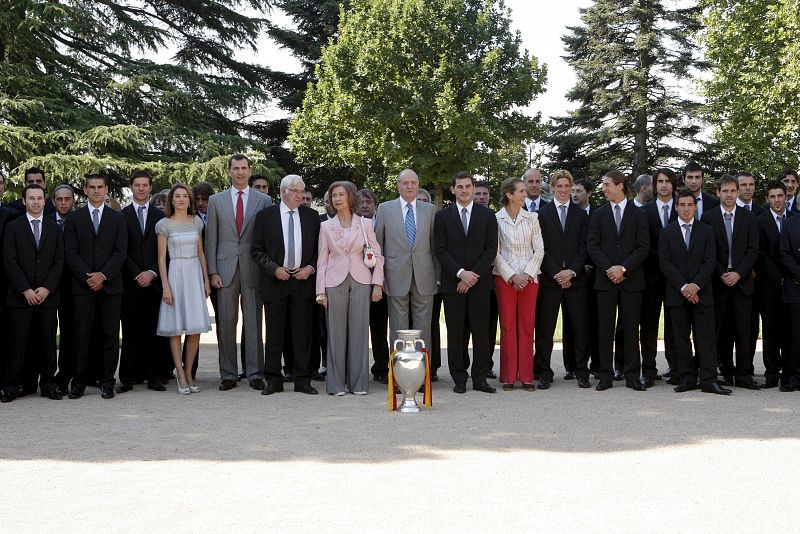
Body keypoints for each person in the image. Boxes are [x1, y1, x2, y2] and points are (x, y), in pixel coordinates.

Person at [205, 154, 271, 392]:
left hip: (253, 268)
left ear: (250, 170)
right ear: (229, 172)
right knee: (226, 322)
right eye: (236, 168)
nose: (240, 172)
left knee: (254, 322)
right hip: (224, 270)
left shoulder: (264, 200)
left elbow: (266, 240)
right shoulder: (216, 200)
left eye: (244, 168)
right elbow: (211, 238)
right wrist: (212, 271)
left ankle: (255, 373)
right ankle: (228, 374)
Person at [252, 174, 320, 395]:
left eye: (303, 191)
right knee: (274, 334)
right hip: (275, 281)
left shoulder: (312, 216)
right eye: (297, 192)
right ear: (283, 192)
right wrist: (274, 269)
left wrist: (310, 268)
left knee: (302, 334)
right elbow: (257, 250)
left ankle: (302, 380)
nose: (301, 196)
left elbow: (321, 251)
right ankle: (273, 379)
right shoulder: (265, 216)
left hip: (303, 282)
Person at [315, 181, 384, 395]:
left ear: (350, 197)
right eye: (333, 195)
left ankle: (359, 384)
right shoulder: (326, 226)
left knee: (359, 333)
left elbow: (377, 256)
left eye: (340, 194)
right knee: (335, 334)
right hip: (333, 282)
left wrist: (377, 284)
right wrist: (320, 291)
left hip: (362, 281)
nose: (336, 198)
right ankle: (336, 385)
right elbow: (322, 260)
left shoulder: (365, 224)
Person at [63, 174, 128, 400]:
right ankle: (79, 382)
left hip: (111, 287)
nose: (97, 191)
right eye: (92, 187)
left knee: (110, 335)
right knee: (81, 335)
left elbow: (121, 251)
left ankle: (107, 381)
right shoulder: (74, 218)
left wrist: (103, 276)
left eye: (100, 187)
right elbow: (70, 252)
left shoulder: (117, 218)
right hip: (83, 288)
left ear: (106, 189)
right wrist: (88, 277)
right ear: (85, 190)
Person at [659, 190, 730, 395]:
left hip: (702, 293)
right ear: (676, 207)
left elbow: (710, 261)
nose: (686, 208)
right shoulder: (667, 232)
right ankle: (688, 378)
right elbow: (665, 263)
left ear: (695, 206)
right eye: (682, 205)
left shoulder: (706, 231)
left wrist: (695, 286)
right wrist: (684, 287)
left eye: (690, 205)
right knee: (681, 338)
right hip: (677, 293)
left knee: (706, 338)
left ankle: (708, 379)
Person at [436, 171, 498, 394]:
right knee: (456, 333)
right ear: (452, 189)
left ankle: (480, 378)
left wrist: (472, 276)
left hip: (480, 284)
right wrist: (461, 273)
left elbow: (491, 249)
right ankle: (459, 378)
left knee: (481, 333)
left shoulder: (487, 216)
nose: (464, 190)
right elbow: (440, 250)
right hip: (453, 284)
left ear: (473, 189)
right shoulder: (442, 217)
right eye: (459, 187)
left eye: (468, 186)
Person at [587, 170, 649, 391]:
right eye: (603, 185)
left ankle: (632, 376)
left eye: (606, 184)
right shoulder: (598, 214)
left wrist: (623, 268)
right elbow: (592, 245)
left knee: (631, 329)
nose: (603, 188)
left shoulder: (639, 214)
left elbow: (643, 247)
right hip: (605, 281)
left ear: (620, 185)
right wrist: (609, 269)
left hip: (632, 280)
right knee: (605, 329)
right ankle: (605, 375)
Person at [1, 184, 64, 402]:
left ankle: (48, 384)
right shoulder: (13, 227)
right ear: (24, 201)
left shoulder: (54, 227)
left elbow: (59, 261)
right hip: (20, 297)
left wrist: (47, 287)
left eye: (39, 198)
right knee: (18, 342)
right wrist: (25, 289)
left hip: (48, 296)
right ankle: (12, 385)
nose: (36, 202)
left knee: (46, 342)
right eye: (31, 198)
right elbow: (9, 261)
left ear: (45, 201)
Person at [700, 175, 760, 389]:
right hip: (718, 283)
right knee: (722, 331)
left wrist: (739, 273)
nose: (728, 195)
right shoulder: (708, 218)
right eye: (724, 191)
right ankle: (725, 371)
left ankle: (744, 374)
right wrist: (721, 273)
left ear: (737, 192)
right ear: (717, 193)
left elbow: (753, 251)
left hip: (742, 283)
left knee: (744, 332)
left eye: (732, 191)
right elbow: (707, 252)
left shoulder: (748, 218)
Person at [375, 169, 438, 361]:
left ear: (418, 185)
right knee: (397, 328)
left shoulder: (430, 210)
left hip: (424, 276)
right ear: (398, 186)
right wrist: (380, 277)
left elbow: (435, 246)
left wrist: (438, 277)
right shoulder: (385, 209)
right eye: (405, 183)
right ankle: (399, 370)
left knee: (423, 328)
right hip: (395, 275)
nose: (409, 186)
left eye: (413, 182)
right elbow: (378, 244)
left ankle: (421, 372)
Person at [535, 170, 590, 389]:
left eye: (568, 186)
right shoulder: (542, 214)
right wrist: (557, 272)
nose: (564, 190)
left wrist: (572, 271)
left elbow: (585, 246)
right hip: (550, 279)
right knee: (545, 329)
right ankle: (544, 371)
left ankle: (580, 370)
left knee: (579, 327)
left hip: (576, 280)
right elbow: (541, 247)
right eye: (560, 186)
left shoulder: (581, 214)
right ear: (552, 188)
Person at [156, 184, 211, 394]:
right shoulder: (164, 225)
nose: (181, 199)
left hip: (194, 273)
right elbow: (161, 258)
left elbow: (201, 253)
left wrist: (205, 280)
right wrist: (165, 287)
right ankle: (179, 372)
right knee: (176, 327)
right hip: (175, 273)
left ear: (190, 200)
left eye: (184, 196)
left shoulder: (197, 222)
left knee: (195, 327)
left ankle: (189, 371)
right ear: (171, 200)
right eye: (177, 196)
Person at [118, 170, 168, 393]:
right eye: (137, 185)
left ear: (150, 187)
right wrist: (137, 273)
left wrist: (151, 272)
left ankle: (155, 375)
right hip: (130, 282)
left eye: (145, 185)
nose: (141, 188)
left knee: (154, 330)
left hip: (155, 282)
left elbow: (166, 253)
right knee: (130, 330)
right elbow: (120, 250)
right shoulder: (122, 216)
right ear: (131, 187)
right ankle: (128, 377)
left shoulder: (161, 218)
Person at [639, 168, 678, 384]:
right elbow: (643, 245)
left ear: (673, 184)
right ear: (654, 185)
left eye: (667, 181)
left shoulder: (683, 208)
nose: (664, 185)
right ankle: (649, 369)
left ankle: (675, 367)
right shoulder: (645, 212)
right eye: (660, 181)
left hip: (675, 278)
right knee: (649, 324)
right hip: (651, 276)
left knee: (674, 324)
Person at [756, 181, 794, 388]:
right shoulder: (760, 221)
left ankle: (789, 371)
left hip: (792, 283)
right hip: (769, 284)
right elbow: (760, 253)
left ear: (785, 197)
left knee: (790, 328)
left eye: (780, 196)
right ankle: (771, 372)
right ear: (767, 199)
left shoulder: (795, 220)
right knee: (770, 328)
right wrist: (776, 275)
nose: (777, 200)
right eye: (773, 196)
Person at [359, 189, 391, 383]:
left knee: (379, 330)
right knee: (357, 330)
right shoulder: (351, 226)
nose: (364, 205)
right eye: (361, 202)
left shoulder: (383, 225)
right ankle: (356, 369)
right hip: (356, 283)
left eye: (368, 202)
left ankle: (381, 368)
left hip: (380, 284)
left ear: (376, 206)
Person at [471, 181, 498, 379]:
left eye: (484, 194)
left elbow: (492, 250)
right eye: (478, 193)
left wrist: (477, 273)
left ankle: (485, 365)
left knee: (488, 327)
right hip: (463, 278)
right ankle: (464, 365)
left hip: (490, 281)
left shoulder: (494, 218)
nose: (481, 197)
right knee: (464, 328)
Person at [52, 184, 76, 395]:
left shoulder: (79, 221)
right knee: (46, 334)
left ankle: (66, 376)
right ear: (53, 201)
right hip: (48, 287)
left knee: (70, 335)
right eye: (59, 199)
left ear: (73, 200)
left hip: (72, 287)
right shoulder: (47, 221)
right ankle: (46, 378)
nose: (63, 203)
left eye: (67, 199)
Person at [779, 212, 800, 392]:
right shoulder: (789, 224)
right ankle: (793, 376)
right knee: (794, 334)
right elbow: (784, 253)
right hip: (795, 286)